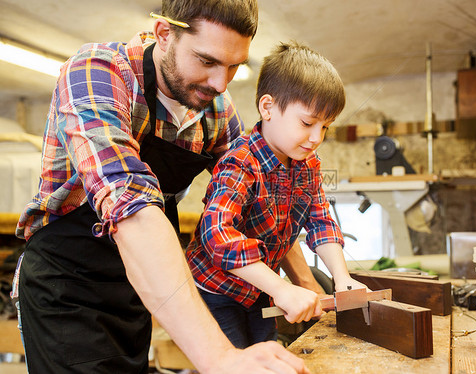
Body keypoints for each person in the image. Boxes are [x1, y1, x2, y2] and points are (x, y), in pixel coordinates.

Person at [12, 1, 310, 373]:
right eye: (207, 61)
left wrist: (305, 286)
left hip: (139, 284)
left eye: (233, 66)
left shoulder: (217, 111)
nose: (221, 82)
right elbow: (130, 207)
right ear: (164, 34)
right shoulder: (97, 72)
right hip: (67, 284)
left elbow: (259, 202)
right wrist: (219, 357)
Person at [185, 41, 369, 349]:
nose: (316, 138)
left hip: (258, 291)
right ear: (267, 107)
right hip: (215, 292)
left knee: (267, 353)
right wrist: (281, 288)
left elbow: (320, 220)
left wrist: (342, 278)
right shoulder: (240, 161)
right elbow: (217, 235)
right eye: (308, 123)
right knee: (235, 365)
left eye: (325, 127)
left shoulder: (307, 163)